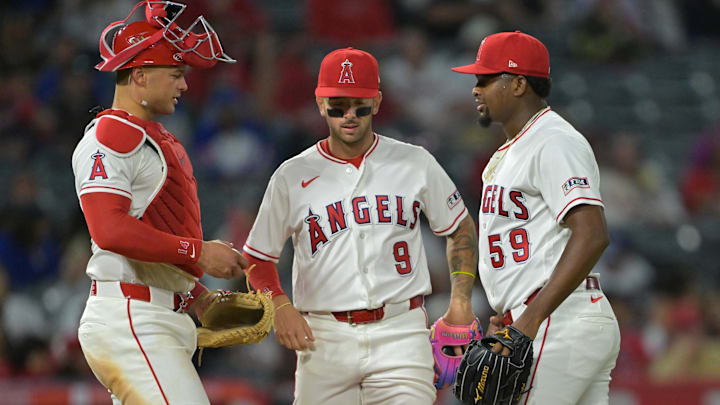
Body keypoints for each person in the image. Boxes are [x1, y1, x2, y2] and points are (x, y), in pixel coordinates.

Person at [241, 47, 478, 404]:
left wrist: (460, 300)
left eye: (360, 105)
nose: (349, 116)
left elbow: (460, 229)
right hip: (323, 337)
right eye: (337, 106)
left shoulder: (414, 162)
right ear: (320, 103)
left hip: (401, 330)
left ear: (378, 102)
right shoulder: (292, 175)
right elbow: (257, 256)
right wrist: (280, 306)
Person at [71, 1, 246, 404]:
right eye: (175, 74)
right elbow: (109, 230)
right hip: (132, 318)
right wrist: (198, 252)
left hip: (155, 316)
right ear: (140, 76)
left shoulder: (148, 137)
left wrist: (196, 294)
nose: (184, 85)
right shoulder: (109, 136)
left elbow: (150, 231)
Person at [451, 31, 621, 404]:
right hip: (552, 318)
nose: (476, 89)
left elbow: (592, 233)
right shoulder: (514, 149)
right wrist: (512, 313)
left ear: (518, 84)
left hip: (557, 320)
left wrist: (529, 319)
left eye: (485, 79)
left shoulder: (553, 140)